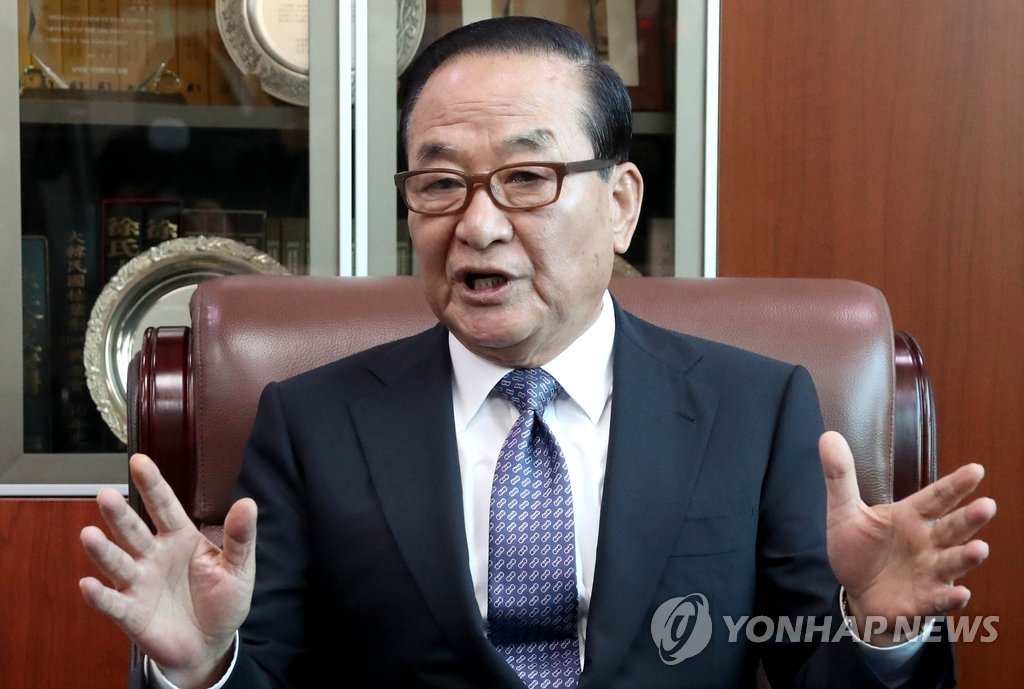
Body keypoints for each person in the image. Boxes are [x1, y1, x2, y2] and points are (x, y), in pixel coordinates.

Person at [79, 16, 996, 689]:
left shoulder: (756, 411)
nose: (478, 224)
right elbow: (264, 667)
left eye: (527, 177)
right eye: (441, 183)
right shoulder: (312, 422)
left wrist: (876, 629)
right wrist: (203, 667)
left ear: (621, 204)